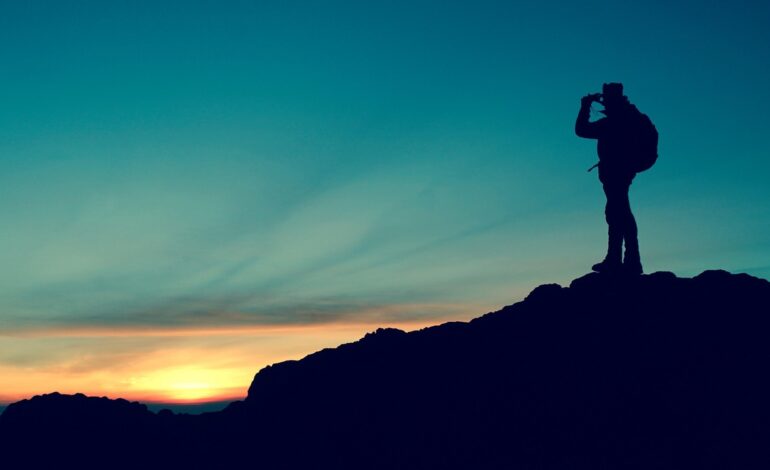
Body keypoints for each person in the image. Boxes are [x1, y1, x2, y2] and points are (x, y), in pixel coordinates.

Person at [575, 82, 645, 275]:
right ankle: (622, 259)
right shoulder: (630, 118)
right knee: (617, 212)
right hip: (622, 170)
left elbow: (581, 130)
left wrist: (585, 105)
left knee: (618, 213)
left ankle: (624, 260)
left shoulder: (614, 122)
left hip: (616, 171)